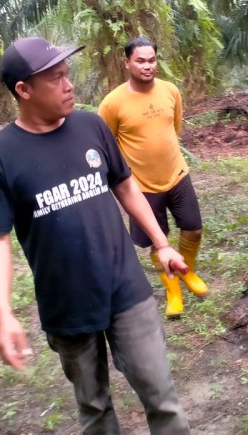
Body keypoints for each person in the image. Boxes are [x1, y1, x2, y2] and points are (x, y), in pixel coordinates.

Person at [0, 37, 191, 434]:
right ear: (24, 89)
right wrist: (3, 315)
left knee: (162, 396)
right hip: (66, 302)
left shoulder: (90, 126)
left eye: (67, 75)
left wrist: (161, 244)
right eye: (56, 78)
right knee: (93, 407)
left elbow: (124, 186)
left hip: (125, 287)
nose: (69, 85)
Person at [98, 37, 208, 319]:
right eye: (140, 61)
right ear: (127, 63)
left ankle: (188, 272)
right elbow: (106, 144)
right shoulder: (112, 103)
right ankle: (173, 290)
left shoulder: (170, 91)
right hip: (142, 187)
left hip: (177, 174)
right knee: (157, 242)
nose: (147, 66)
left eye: (151, 60)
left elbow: (175, 127)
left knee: (193, 228)